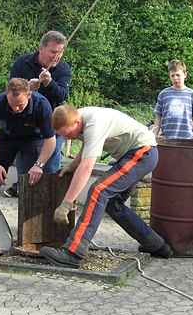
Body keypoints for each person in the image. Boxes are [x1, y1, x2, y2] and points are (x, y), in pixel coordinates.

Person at [40, 105, 173, 268]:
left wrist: (66, 204)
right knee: (112, 203)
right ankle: (157, 245)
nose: (68, 139)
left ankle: (73, 252)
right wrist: (72, 165)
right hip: (132, 154)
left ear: (76, 122)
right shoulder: (78, 119)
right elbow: (87, 146)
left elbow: (87, 167)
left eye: (68, 134)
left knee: (99, 190)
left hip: (143, 152)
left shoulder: (94, 123)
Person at [5, 30, 72, 197]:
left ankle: (49, 209)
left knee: (50, 170)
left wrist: (49, 83)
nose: (57, 56)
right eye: (53, 52)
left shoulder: (63, 68)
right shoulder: (22, 63)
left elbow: (62, 96)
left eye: (61, 52)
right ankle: (25, 207)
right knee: (25, 170)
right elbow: (10, 91)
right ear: (41, 48)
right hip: (26, 124)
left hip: (52, 124)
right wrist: (27, 88)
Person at [0, 78, 56, 198]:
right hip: (7, 136)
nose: (16, 109)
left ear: (29, 95)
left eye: (20, 105)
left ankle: (29, 212)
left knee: (32, 177)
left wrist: (39, 165)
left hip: (33, 138)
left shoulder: (42, 105)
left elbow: (50, 139)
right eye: (12, 105)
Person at [152, 59, 193, 142]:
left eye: (178, 75)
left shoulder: (192, 94)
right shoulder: (163, 94)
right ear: (169, 76)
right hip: (167, 139)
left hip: (187, 140)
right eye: (172, 75)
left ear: (185, 75)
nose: (175, 78)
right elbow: (158, 117)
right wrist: (155, 136)